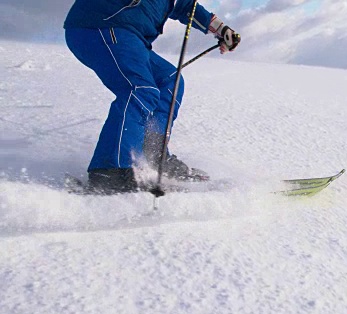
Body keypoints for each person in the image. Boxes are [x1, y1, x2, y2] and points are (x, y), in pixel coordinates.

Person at [63, 0, 240, 193]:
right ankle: (111, 171)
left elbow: (185, 6)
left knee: (170, 80)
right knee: (140, 89)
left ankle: (152, 153)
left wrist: (221, 29)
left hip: (132, 37)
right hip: (101, 26)